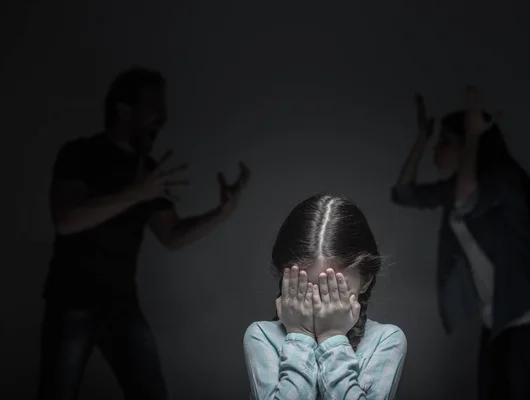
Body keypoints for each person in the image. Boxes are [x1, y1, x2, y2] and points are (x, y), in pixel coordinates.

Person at [37, 66, 250, 399]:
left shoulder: (149, 172)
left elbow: (173, 235)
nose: (162, 117)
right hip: (70, 302)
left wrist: (221, 214)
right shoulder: (79, 154)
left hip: (121, 306)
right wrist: (136, 193)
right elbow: (66, 219)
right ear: (124, 110)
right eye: (154, 107)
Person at [392, 87, 530, 400]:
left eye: (445, 141)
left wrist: (472, 135)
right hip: (495, 324)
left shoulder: (504, 183)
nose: (437, 149)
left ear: (469, 146)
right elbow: (403, 193)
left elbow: (469, 200)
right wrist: (421, 139)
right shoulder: (454, 189)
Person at [243, 194, 407, 399]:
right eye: (306, 288)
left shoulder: (386, 340)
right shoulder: (262, 335)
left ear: (365, 280)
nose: (320, 303)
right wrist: (300, 335)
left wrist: (332, 337)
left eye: (333, 290)